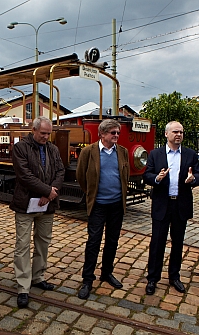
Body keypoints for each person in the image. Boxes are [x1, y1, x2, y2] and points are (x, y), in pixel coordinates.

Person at [9, 116, 65, 308]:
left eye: (49, 134)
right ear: (33, 130)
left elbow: (60, 172)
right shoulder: (20, 148)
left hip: (46, 205)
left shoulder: (53, 149)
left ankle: (38, 277)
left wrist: (50, 194)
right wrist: (46, 191)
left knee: (43, 242)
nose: (46, 137)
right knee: (23, 245)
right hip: (25, 205)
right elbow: (24, 176)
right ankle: (23, 287)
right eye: (43, 133)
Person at [143, 121, 199, 295]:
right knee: (157, 242)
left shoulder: (190, 154)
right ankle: (152, 279)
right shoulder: (156, 154)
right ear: (166, 134)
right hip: (162, 204)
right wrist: (157, 177)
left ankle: (174, 277)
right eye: (175, 132)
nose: (179, 135)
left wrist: (193, 180)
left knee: (178, 243)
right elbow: (146, 175)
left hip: (181, 204)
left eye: (181, 132)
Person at [76, 119, 130, 299]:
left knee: (112, 241)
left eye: (117, 133)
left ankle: (107, 273)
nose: (116, 136)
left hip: (116, 204)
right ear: (102, 134)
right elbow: (81, 177)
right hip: (98, 204)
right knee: (94, 242)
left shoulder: (122, 152)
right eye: (112, 133)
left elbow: (125, 176)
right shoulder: (88, 152)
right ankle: (87, 279)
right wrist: (92, 194)